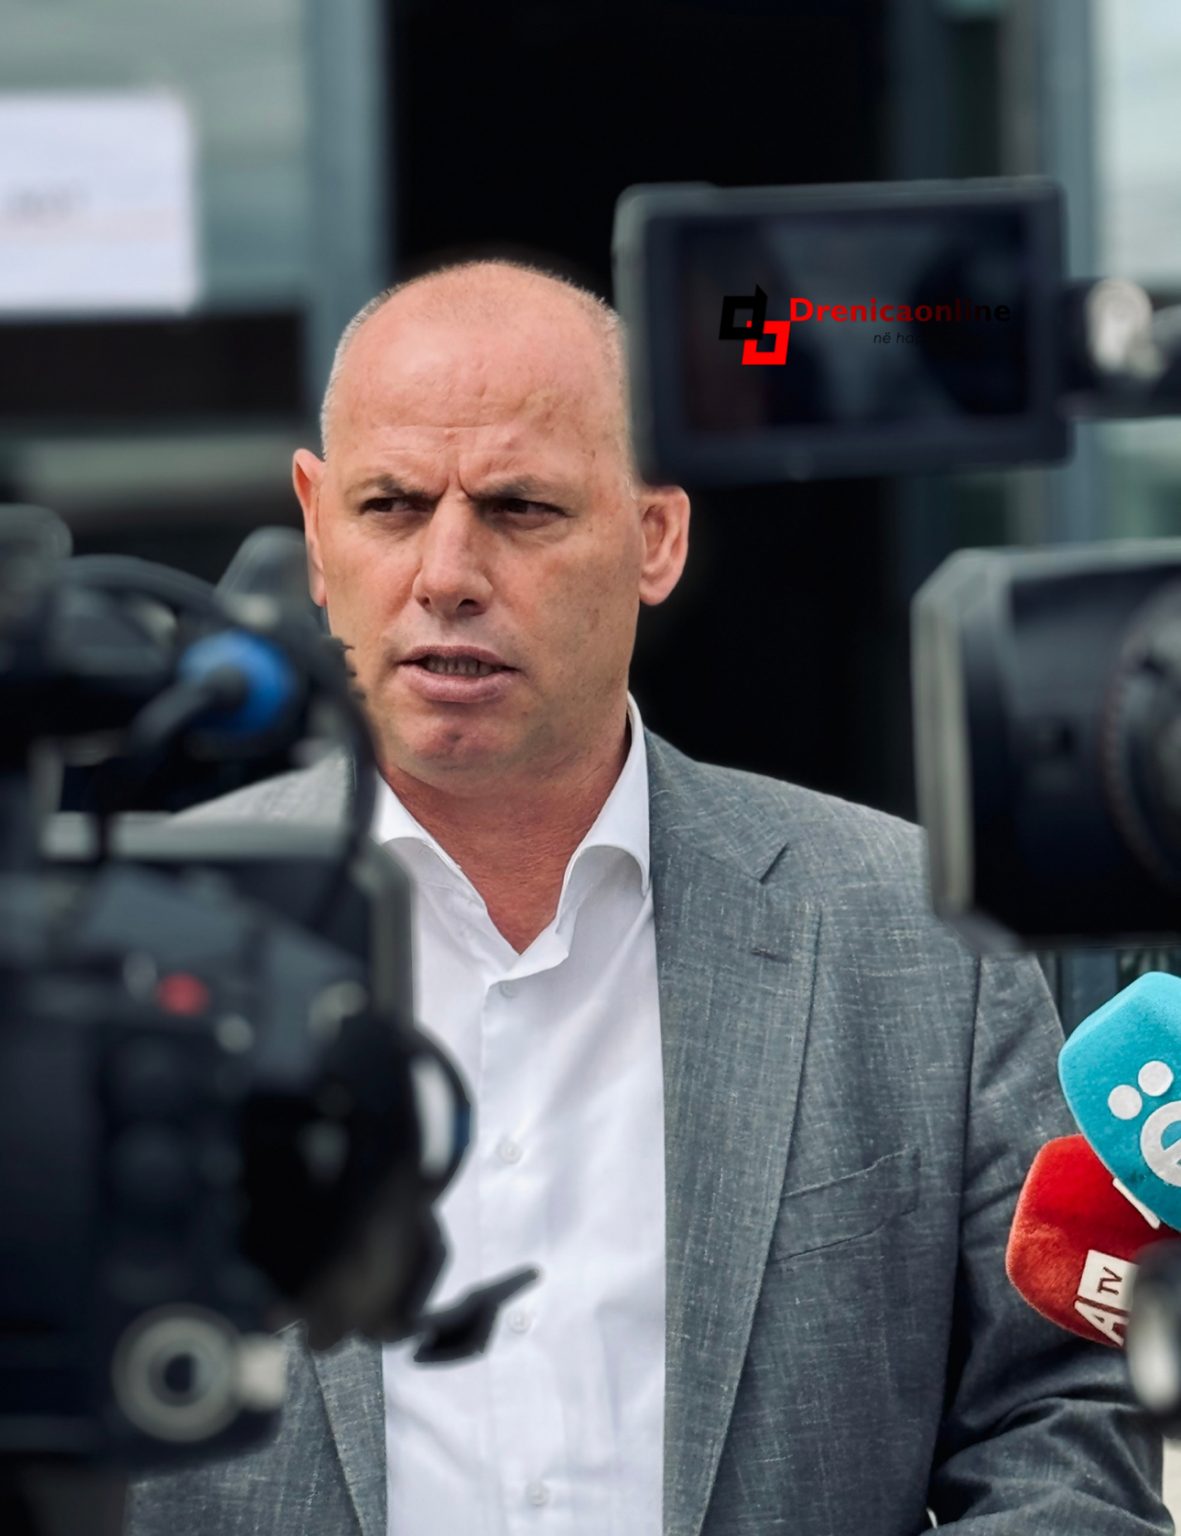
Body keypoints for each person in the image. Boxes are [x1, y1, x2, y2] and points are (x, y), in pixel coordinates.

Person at [124, 259, 1170, 1536]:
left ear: (657, 536)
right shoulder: (129, 938)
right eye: (390, 505)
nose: (446, 572)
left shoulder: (917, 933)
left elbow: (1061, 1414)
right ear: (315, 528)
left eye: (518, 508)